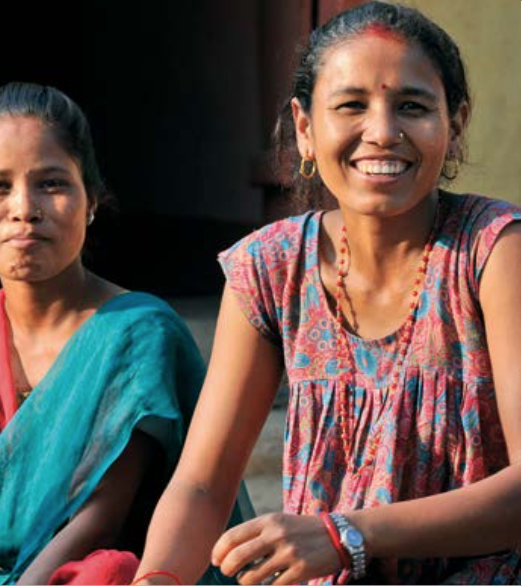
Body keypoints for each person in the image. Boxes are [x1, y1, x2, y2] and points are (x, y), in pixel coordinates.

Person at [133, 2, 520, 584]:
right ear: (306, 127)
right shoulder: (270, 268)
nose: (383, 132)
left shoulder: (492, 252)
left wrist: (347, 535)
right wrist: (156, 578)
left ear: (456, 123)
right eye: (351, 106)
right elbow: (202, 484)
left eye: (412, 107)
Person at [0, 82, 250, 585]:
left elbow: (95, 521)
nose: (24, 208)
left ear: (92, 201)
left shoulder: (136, 335)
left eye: (52, 184)